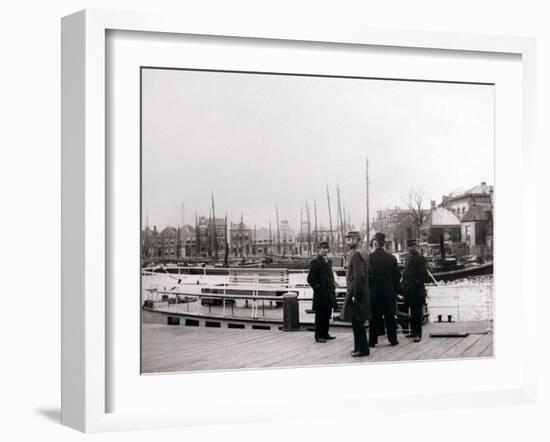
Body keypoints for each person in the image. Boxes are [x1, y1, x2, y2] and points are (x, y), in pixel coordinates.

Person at [339, 230, 371, 357]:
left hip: (356, 293)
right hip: (363, 292)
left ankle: (362, 349)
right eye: (347, 239)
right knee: (359, 322)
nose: (348, 242)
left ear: (357, 240)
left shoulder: (356, 254)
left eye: (351, 239)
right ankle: (359, 348)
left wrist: (354, 295)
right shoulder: (365, 252)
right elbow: (368, 274)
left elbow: (358, 276)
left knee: (357, 323)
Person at [368, 232, 401, 347]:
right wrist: (393, 289)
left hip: (374, 293)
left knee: (374, 318)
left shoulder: (370, 258)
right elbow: (397, 276)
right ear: (384, 244)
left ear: (375, 243)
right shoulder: (391, 258)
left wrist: (370, 289)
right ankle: (393, 340)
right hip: (388, 292)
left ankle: (372, 341)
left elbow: (367, 276)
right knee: (390, 316)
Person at [307, 241, 337, 343]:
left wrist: (333, 286)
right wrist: (318, 289)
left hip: (328, 292)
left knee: (327, 313)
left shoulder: (328, 261)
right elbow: (311, 278)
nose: (325, 250)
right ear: (319, 249)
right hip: (321, 293)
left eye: (326, 248)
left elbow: (330, 277)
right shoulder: (315, 261)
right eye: (323, 248)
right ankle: (319, 335)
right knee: (320, 315)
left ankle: (325, 333)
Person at [401, 239, 428, 342]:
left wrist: (416, 283)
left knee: (417, 313)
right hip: (408, 290)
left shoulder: (420, 259)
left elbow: (423, 275)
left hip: (416, 291)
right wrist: (404, 283)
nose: (411, 248)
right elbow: (406, 273)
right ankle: (412, 331)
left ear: (416, 246)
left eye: (413, 246)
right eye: (409, 246)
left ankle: (418, 334)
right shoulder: (408, 258)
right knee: (411, 311)